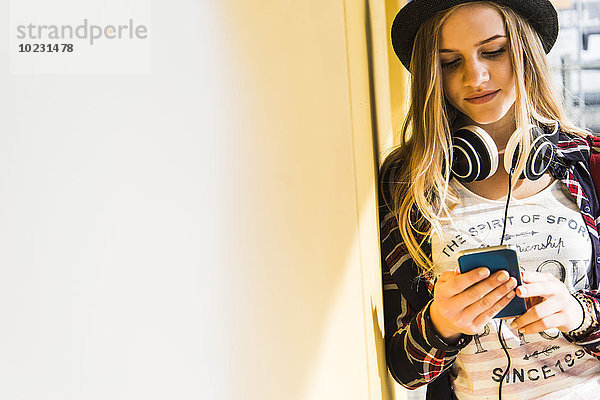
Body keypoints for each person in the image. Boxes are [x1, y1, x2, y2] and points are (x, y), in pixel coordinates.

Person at [379, 1, 600, 399]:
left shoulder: (593, 163)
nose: (476, 77)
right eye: (449, 62)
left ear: (524, 52)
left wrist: (581, 314)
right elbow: (405, 371)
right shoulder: (405, 184)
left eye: (493, 51)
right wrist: (440, 323)